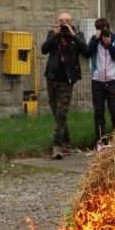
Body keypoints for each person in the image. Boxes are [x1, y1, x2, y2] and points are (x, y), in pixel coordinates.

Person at [40, 12, 89, 159]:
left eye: (67, 21)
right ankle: (67, 143)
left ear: (72, 22)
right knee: (57, 113)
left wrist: (73, 34)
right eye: (61, 21)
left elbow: (86, 52)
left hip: (67, 80)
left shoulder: (77, 35)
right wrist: (54, 35)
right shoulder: (53, 35)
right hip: (52, 78)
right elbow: (44, 49)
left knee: (61, 113)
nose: (64, 24)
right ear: (57, 22)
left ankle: (57, 146)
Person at [87, 17, 115, 142]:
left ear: (109, 28)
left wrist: (109, 45)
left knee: (114, 111)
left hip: (112, 80)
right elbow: (87, 53)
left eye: (104, 29)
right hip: (97, 81)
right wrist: (95, 40)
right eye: (99, 29)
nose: (102, 32)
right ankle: (100, 139)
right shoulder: (95, 41)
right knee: (99, 112)